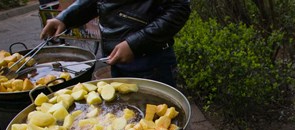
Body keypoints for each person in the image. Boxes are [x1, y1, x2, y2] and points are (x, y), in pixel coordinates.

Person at [40, 0, 191, 87]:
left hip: (152, 62)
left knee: (161, 129)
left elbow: (179, 9)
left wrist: (135, 44)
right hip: (117, 59)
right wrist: (65, 18)